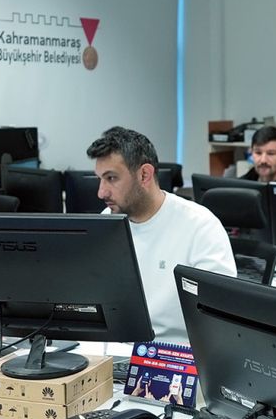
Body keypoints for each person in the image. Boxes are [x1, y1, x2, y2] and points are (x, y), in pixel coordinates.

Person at [87, 127, 236, 344]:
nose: (101, 192)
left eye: (111, 178)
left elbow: (221, 315)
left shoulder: (200, 226)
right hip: (118, 350)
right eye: (100, 179)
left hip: (176, 355)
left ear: (144, 175)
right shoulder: (106, 222)